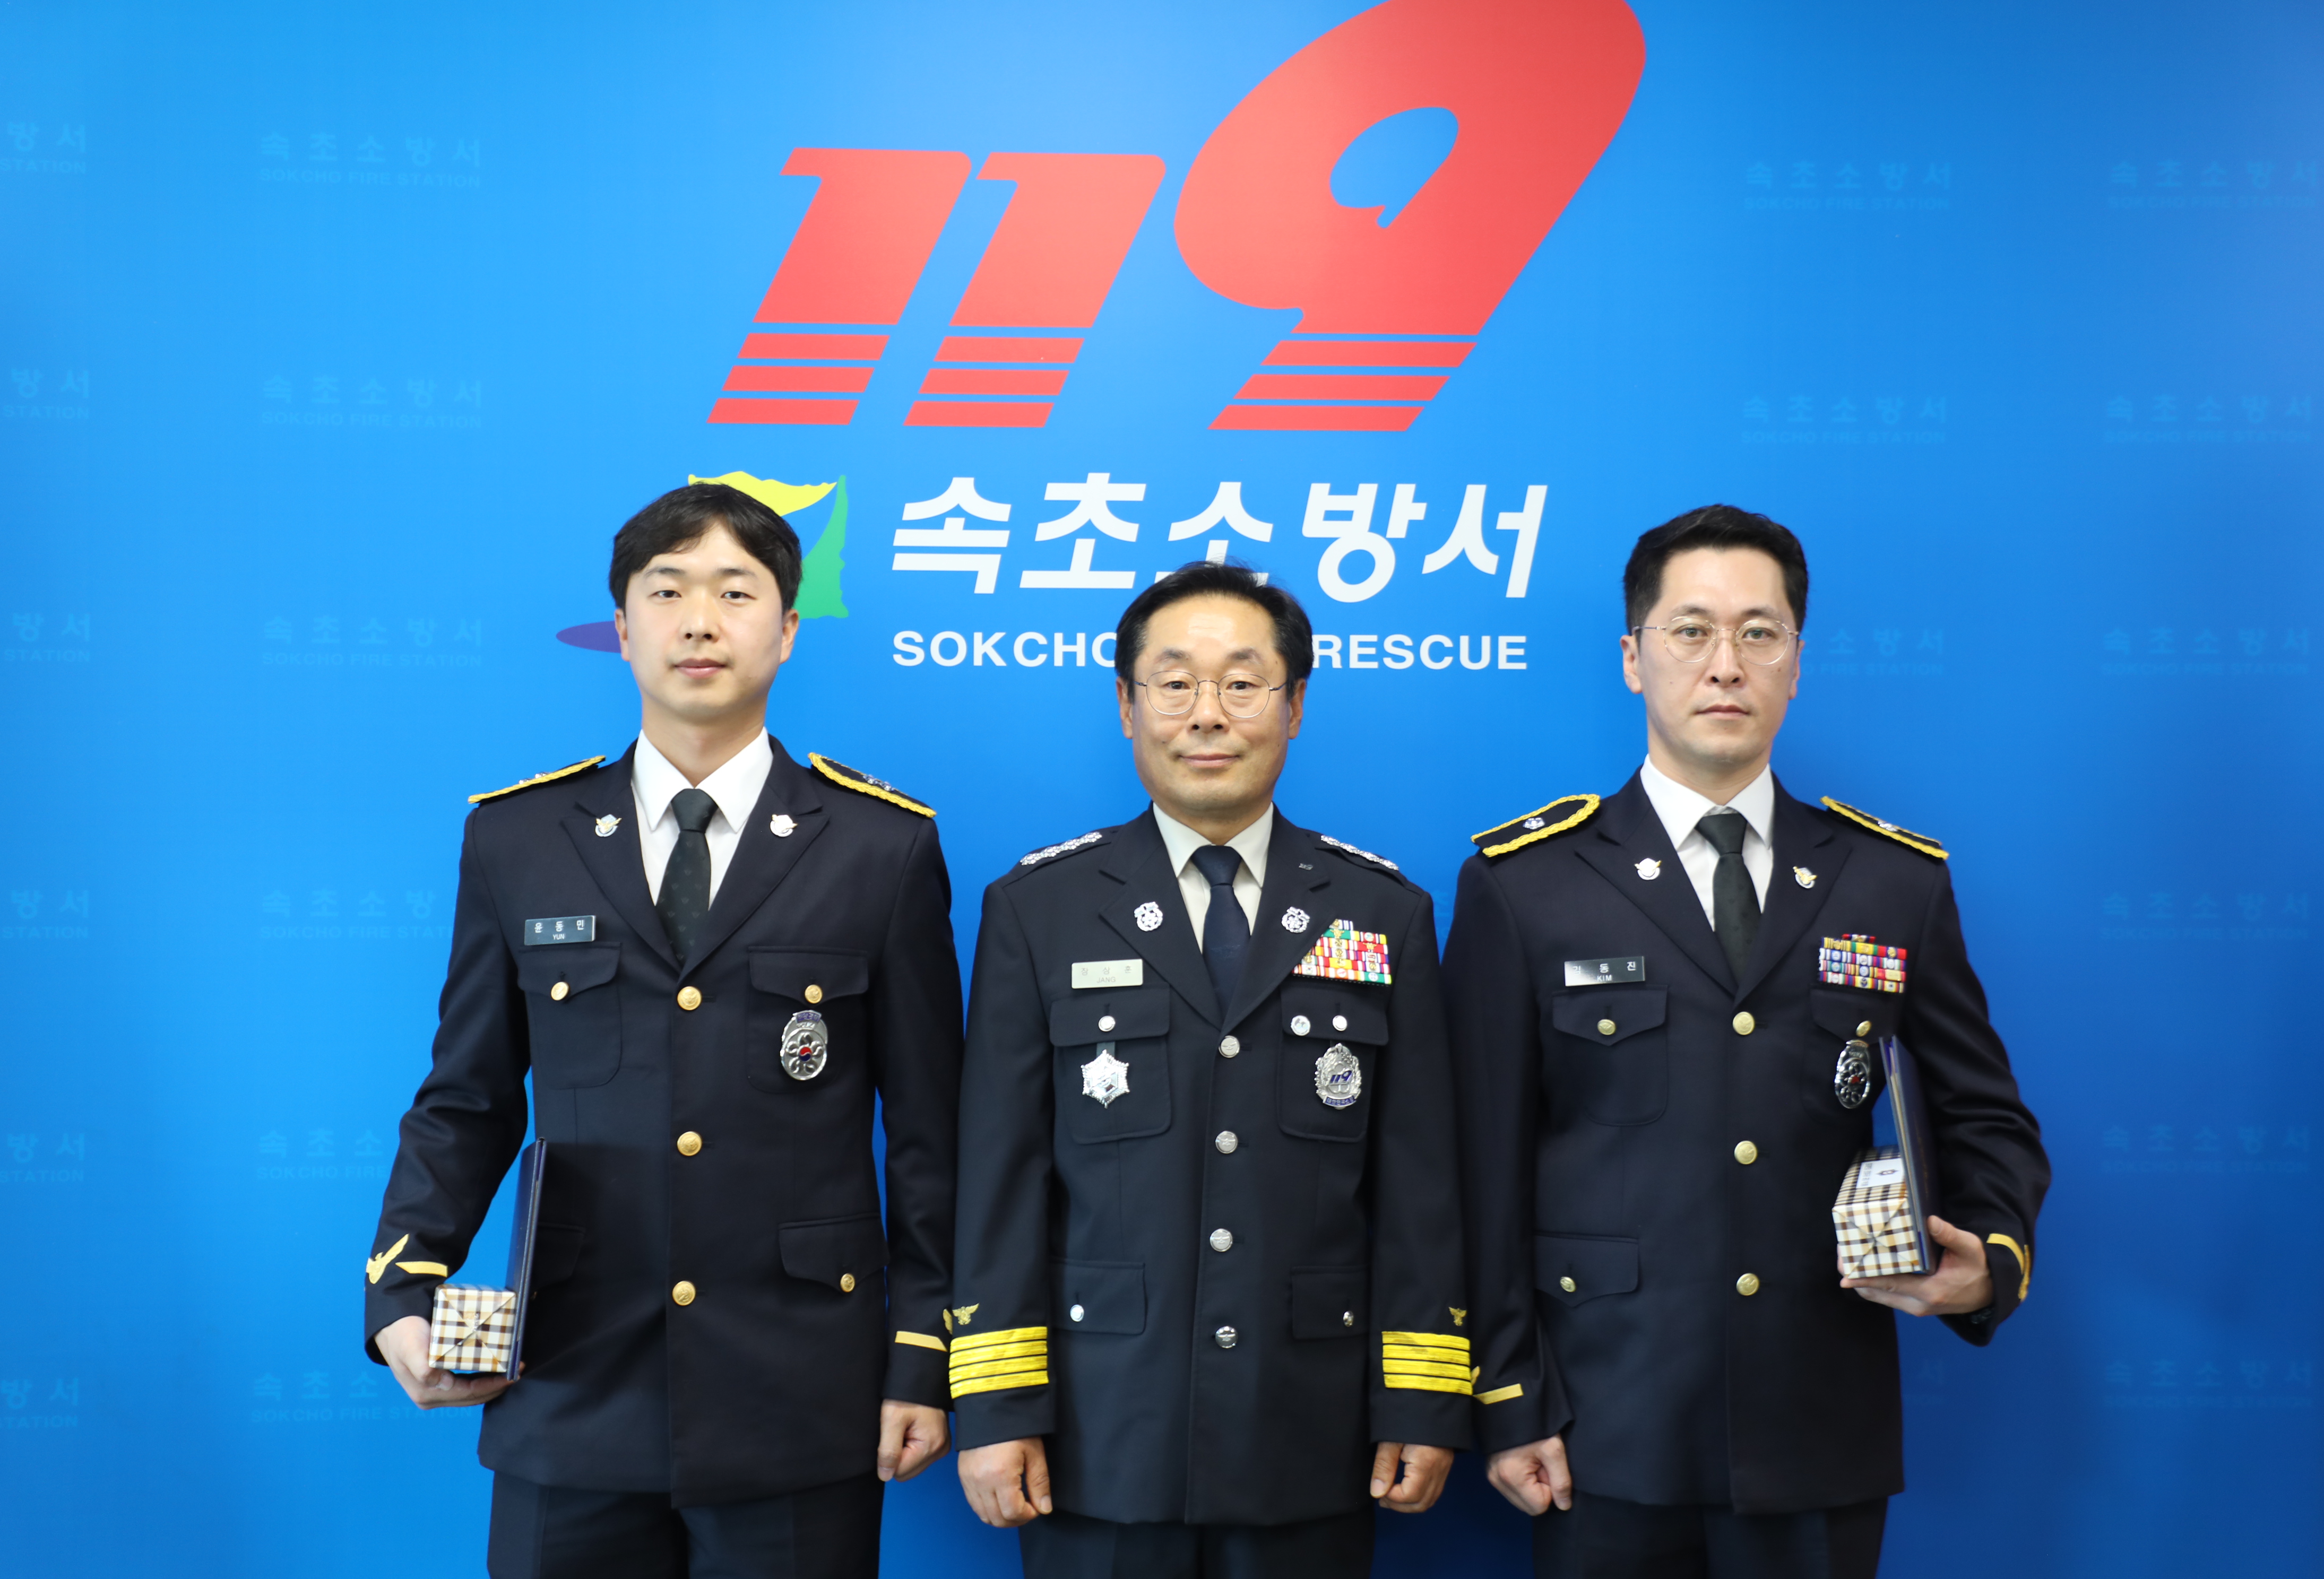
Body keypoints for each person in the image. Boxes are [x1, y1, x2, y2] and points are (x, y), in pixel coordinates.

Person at [359, 482, 963, 1578]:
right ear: (622, 627)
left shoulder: (881, 848)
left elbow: (931, 1137)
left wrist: (923, 1351)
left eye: (736, 592)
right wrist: (402, 1288)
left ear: (787, 629)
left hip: (799, 1395)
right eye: (668, 591)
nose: (700, 622)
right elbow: (468, 1098)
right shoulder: (518, 839)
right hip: (570, 1384)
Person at [1446, 505, 2049, 1579]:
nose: (1725, 663)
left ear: (1796, 664)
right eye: (1691, 631)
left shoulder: (1891, 882)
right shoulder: (1527, 885)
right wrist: (1508, 1394)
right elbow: (1476, 1167)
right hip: (1601, 1429)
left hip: (1816, 1427)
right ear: (1633, 658)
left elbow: (1986, 1117)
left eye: (1759, 633)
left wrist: (1990, 1259)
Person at [949, 562, 1470, 1578]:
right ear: (1127, 705)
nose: (1207, 715)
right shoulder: (1040, 910)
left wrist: (1421, 1396)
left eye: (1242, 683)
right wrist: (999, 1405)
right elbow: (1000, 1181)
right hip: (1100, 1434)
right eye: (1175, 683)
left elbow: (1421, 1189)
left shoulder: (1382, 913)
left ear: (1295, 706)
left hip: (1310, 1430)